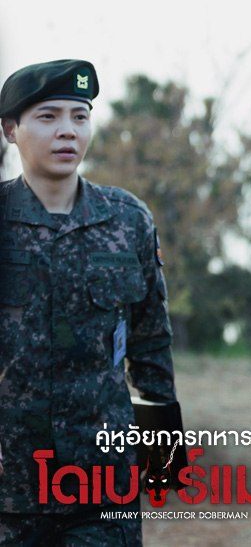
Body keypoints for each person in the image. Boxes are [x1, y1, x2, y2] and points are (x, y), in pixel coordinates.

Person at [0, 59, 176, 546]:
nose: (68, 131)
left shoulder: (127, 219)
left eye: (80, 116)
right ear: (11, 129)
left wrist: (162, 461)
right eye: (48, 116)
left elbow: (151, 344)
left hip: (102, 487)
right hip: (9, 488)